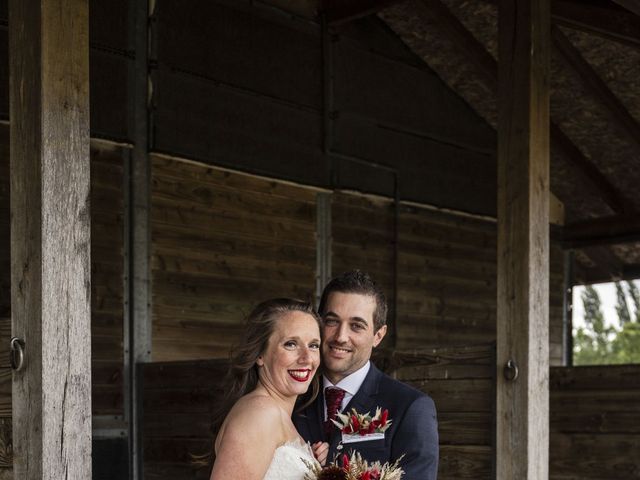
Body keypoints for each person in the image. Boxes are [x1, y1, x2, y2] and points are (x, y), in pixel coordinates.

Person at [293, 270, 439, 479]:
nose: (341, 337)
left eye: (356, 326)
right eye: (332, 321)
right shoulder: (294, 395)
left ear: (378, 336)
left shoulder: (411, 407)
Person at [210, 298, 329, 480]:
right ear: (260, 355)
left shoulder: (274, 413)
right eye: (291, 344)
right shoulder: (261, 413)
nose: (307, 358)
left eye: (313, 345)